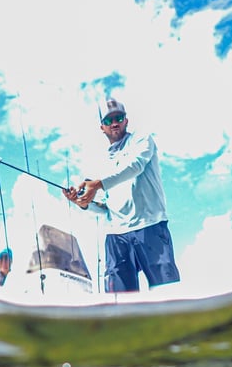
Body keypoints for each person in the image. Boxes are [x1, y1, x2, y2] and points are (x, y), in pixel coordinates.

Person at [64, 98, 180, 293]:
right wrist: (82, 202)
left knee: (166, 293)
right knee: (118, 301)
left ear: (126, 120)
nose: (114, 123)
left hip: (150, 227)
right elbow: (104, 208)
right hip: (116, 237)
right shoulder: (99, 162)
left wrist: (98, 184)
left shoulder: (142, 139)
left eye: (119, 117)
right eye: (108, 121)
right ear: (102, 127)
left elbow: (136, 166)